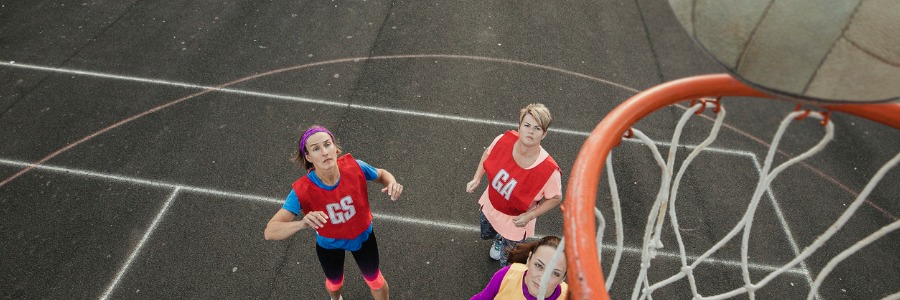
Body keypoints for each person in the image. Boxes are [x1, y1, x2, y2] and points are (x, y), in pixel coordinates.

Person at [264, 125, 404, 300]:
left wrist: (391, 182)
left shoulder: (356, 167)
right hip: (329, 245)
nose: (324, 152)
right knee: (335, 283)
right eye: (316, 148)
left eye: (327, 144)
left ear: (335, 148)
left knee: (375, 280)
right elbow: (270, 231)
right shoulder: (302, 190)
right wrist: (302, 223)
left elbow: (382, 174)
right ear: (308, 156)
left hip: (363, 237)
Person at [466, 103, 562, 266]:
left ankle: (506, 281)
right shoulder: (502, 140)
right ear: (519, 126)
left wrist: (530, 216)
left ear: (544, 134)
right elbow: (488, 153)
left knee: (508, 261)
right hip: (490, 206)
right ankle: (497, 239)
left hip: (515, 222)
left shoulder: (548, 171)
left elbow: (555, 197)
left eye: (537, 128)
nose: (531, 131)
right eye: (527, 125)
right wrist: (477, 178)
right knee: (487, 233)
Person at [471, 235, 568, 299]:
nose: (543, 278)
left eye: (555, 273)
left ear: (563, 278)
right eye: (538, 265)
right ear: (529, 259)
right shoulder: (507, 275)